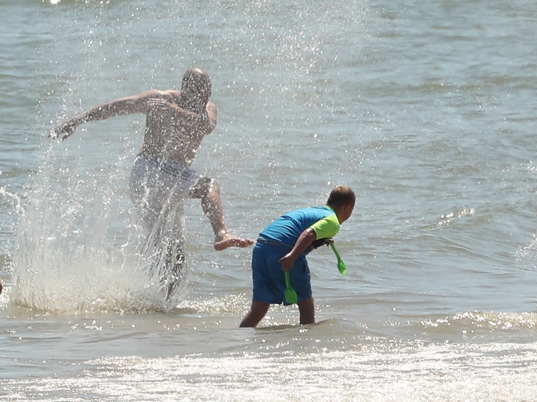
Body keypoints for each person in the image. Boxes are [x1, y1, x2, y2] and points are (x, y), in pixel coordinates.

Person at [50, 68, 254, 296]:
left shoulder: (207, 109)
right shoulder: (159, 99)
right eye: (199, 90)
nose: (205, 95)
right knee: (209, 186)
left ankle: (156, 306)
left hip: (175, 176)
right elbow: (117, 107)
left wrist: (173, 111)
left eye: (208, 90)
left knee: (174, 255)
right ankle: (221, 233)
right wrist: (77, 121)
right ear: (186, 88)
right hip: (149, 171)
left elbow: (205, 126)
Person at [240, 185, 356, 327]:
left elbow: (301, 235)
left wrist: (318, 242)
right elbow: (308, 234)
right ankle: (306, 345)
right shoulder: (333, 221)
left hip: (262, 246)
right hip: (283, 248)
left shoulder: (315, 211)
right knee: (306, 304)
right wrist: (292, 256)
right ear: (348, 207)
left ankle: (240, 339)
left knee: (259, 306)